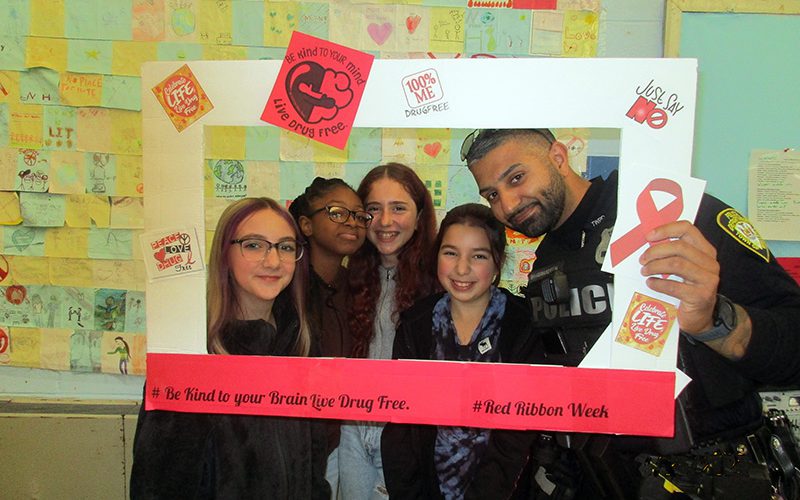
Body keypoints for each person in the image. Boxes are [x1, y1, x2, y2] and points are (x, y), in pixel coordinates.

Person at [462, 128, 800, 499]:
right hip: (608, 477)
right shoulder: (548, 256)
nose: (508, 204)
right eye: (493, 194)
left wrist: (713, 319)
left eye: (516, 177)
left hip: (715, 473)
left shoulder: (666, 213)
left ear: (558, 157)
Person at [130, 197, 330, 499]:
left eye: (286, 247)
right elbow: (158, 485)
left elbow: (313, 465)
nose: (273, 261)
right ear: (225, 254)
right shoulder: (190, 358)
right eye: (253, 245)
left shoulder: (301, 347)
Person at [382, 203, 543, 499]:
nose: (462, 268)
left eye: (478, 256)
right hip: (426, 489)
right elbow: (399, 427)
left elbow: (517, 436)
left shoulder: (522, 327)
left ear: (497, 263)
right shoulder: (415, 325)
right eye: (450, 252)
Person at [339, 163, 438, 499]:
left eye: (398, 208)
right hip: (351, 431)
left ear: (420, 215)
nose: (384, 222)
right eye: (372, 210)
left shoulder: (443, 282)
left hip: (404, 436)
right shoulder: (349, 277)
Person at [290, 177, 371, 496]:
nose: (352, 222)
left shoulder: (358, 288)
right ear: (306, 225)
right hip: (295, 446)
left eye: (360, 215)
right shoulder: (285, 288)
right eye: (338, 212)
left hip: (340, 444)